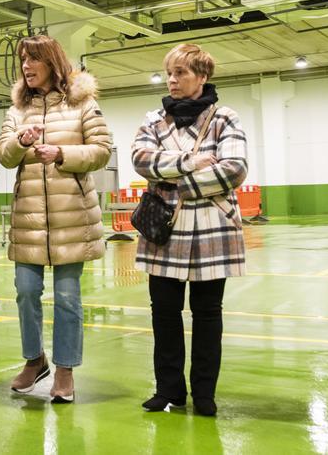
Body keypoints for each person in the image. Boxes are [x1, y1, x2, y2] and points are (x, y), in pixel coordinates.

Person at [133, 43, 248, 418]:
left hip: (212, 230)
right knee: (163, 314)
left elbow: (234, 169)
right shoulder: (153, 120)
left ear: (202, 76)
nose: (172, 80)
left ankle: (204, 394)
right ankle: (168, 390)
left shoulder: (225, 118)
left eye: (180, 73)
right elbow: (140, 160)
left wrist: (177, 183)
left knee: (207, 314)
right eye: (169, 73)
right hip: (165, 232)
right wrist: (190, 161)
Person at [0, 35, 111, 403]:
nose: (27, 67)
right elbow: (4, 155)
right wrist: (22, 141)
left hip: (72, 218)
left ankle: (64, 369)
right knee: (26, 292)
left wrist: (62, 152)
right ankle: (35, 361)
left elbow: (102, 151)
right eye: (23, 60)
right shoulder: (16, 111)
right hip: (29, 220)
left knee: (67, 297)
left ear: (53, 62)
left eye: (34, 60)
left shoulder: (82, 104)